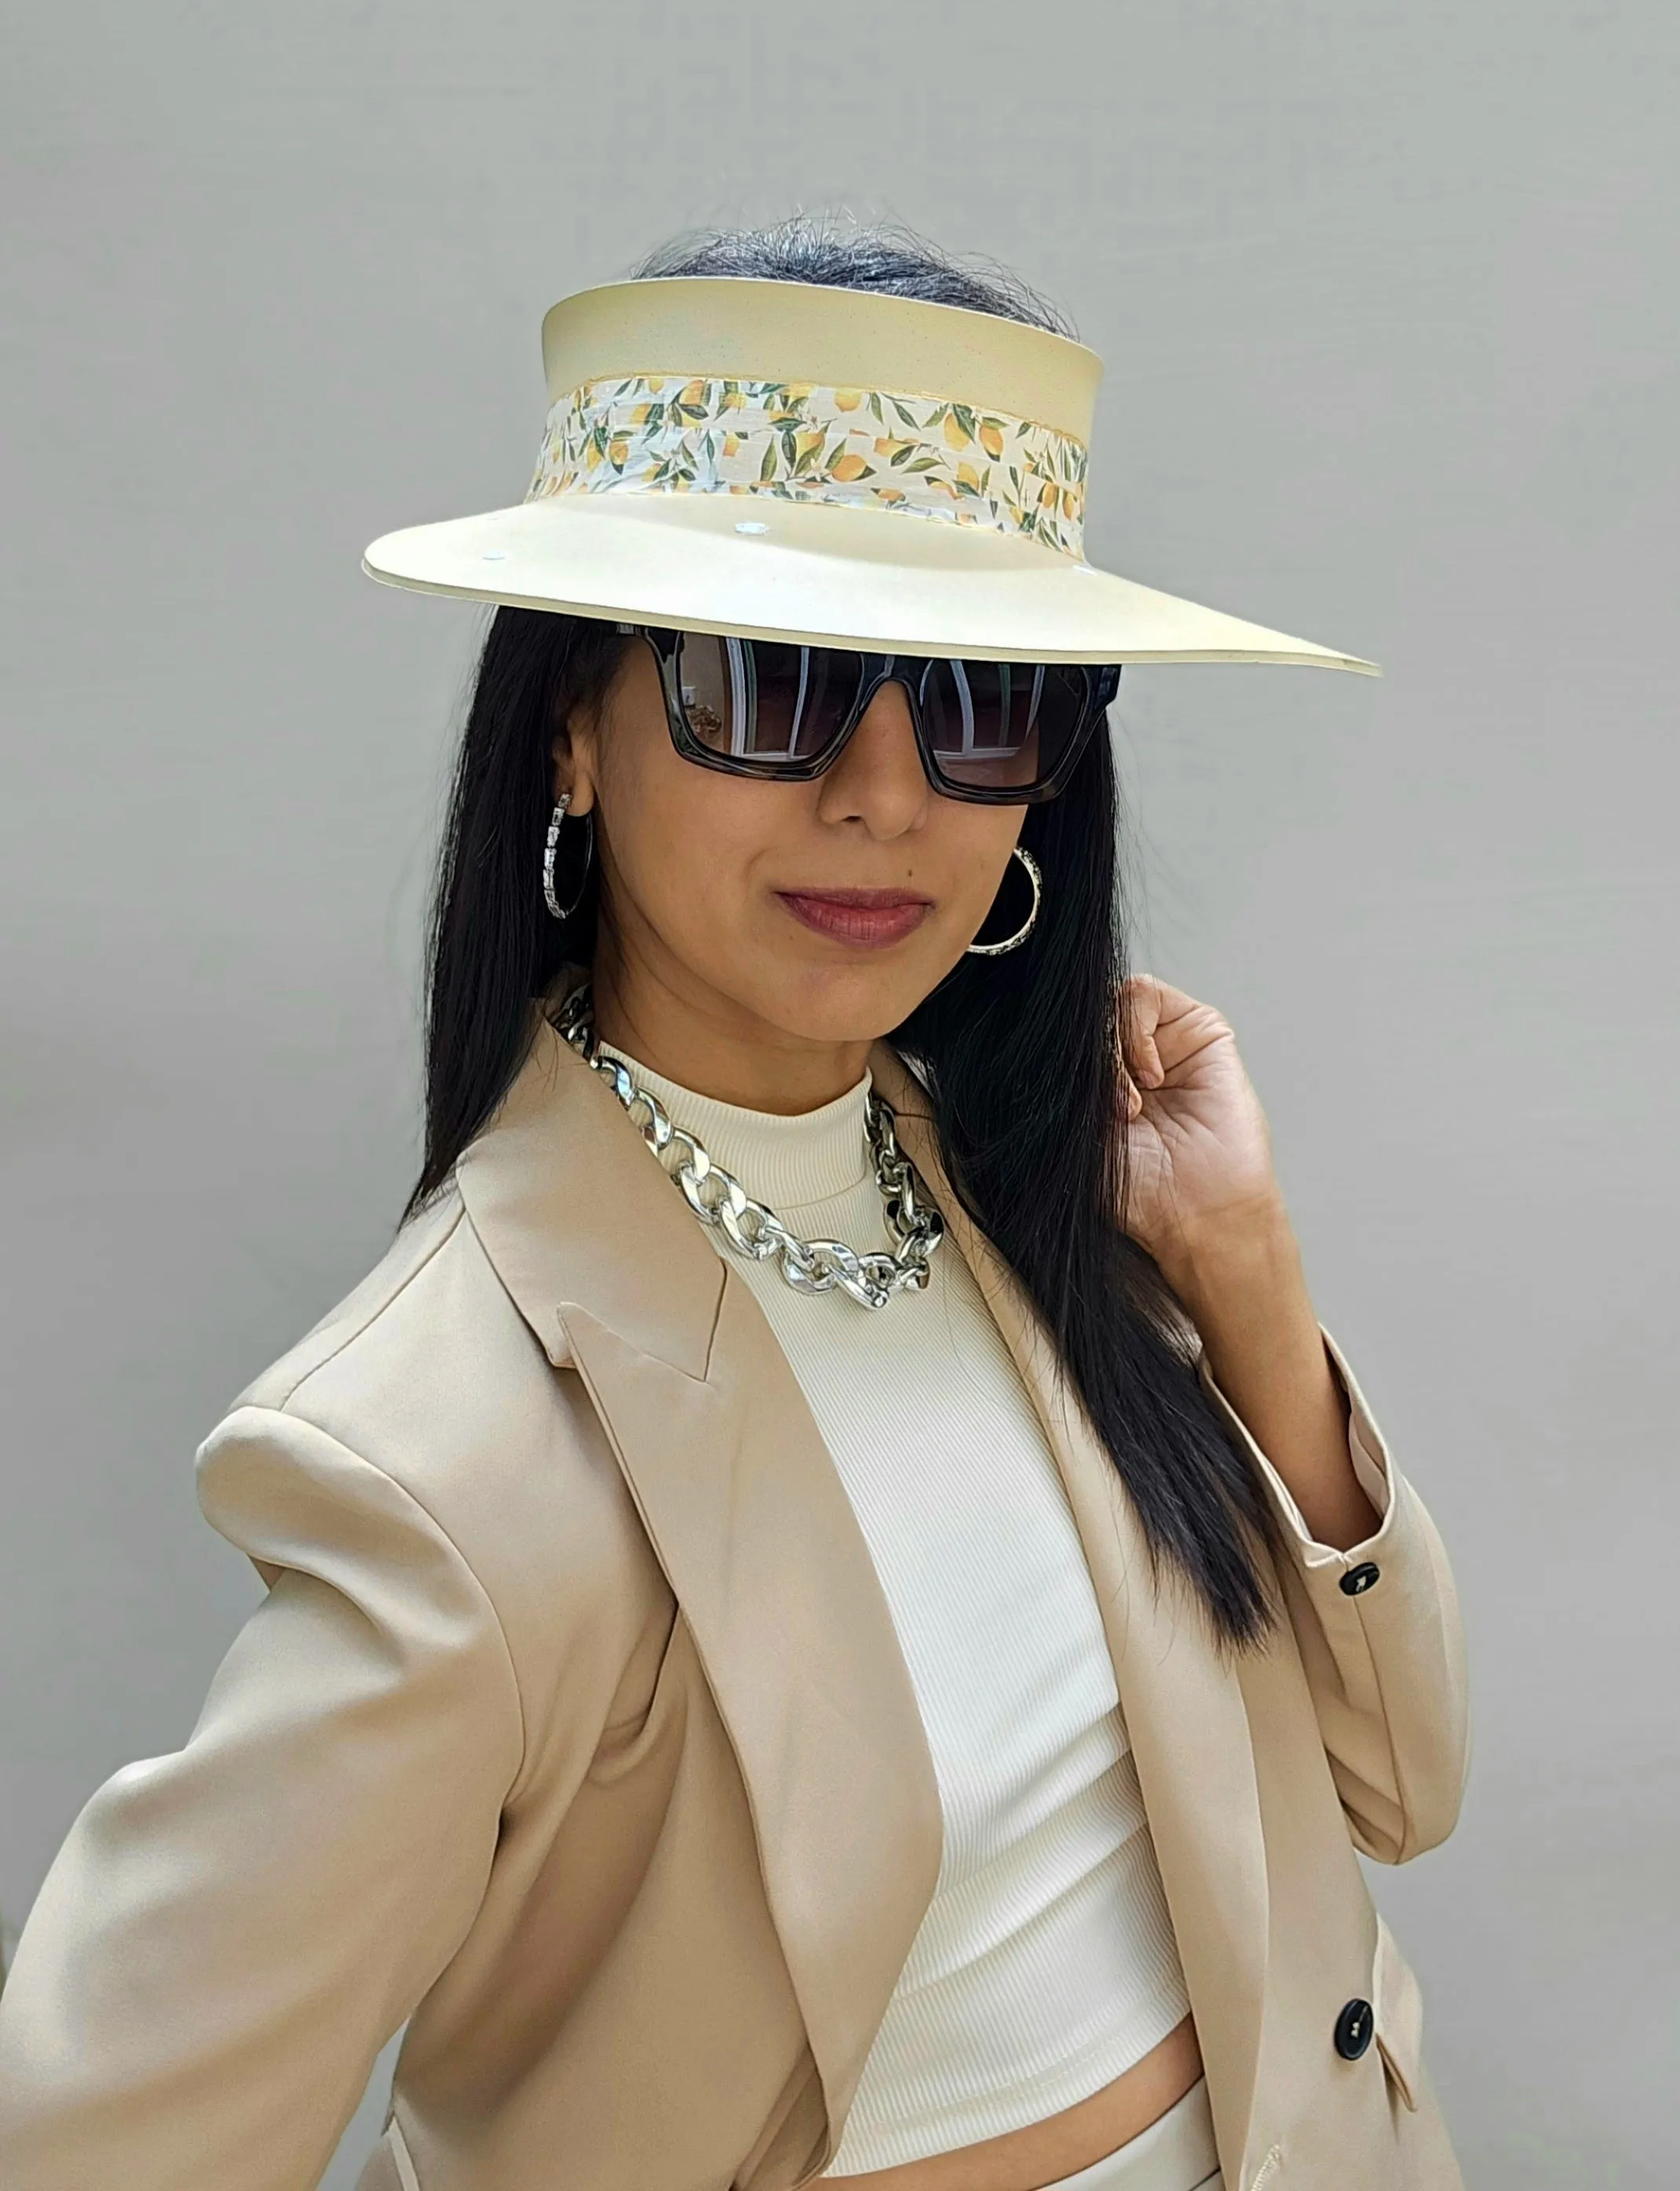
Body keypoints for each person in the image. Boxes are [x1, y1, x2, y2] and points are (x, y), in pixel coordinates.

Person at [0, 222, 1469, 2191]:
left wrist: (1244, 1283)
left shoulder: (1027, 1213)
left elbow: (1401, 1778)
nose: (882, 793)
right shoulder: (441, 1458)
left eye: (975, 699)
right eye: (764, 685)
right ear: (571, 735)